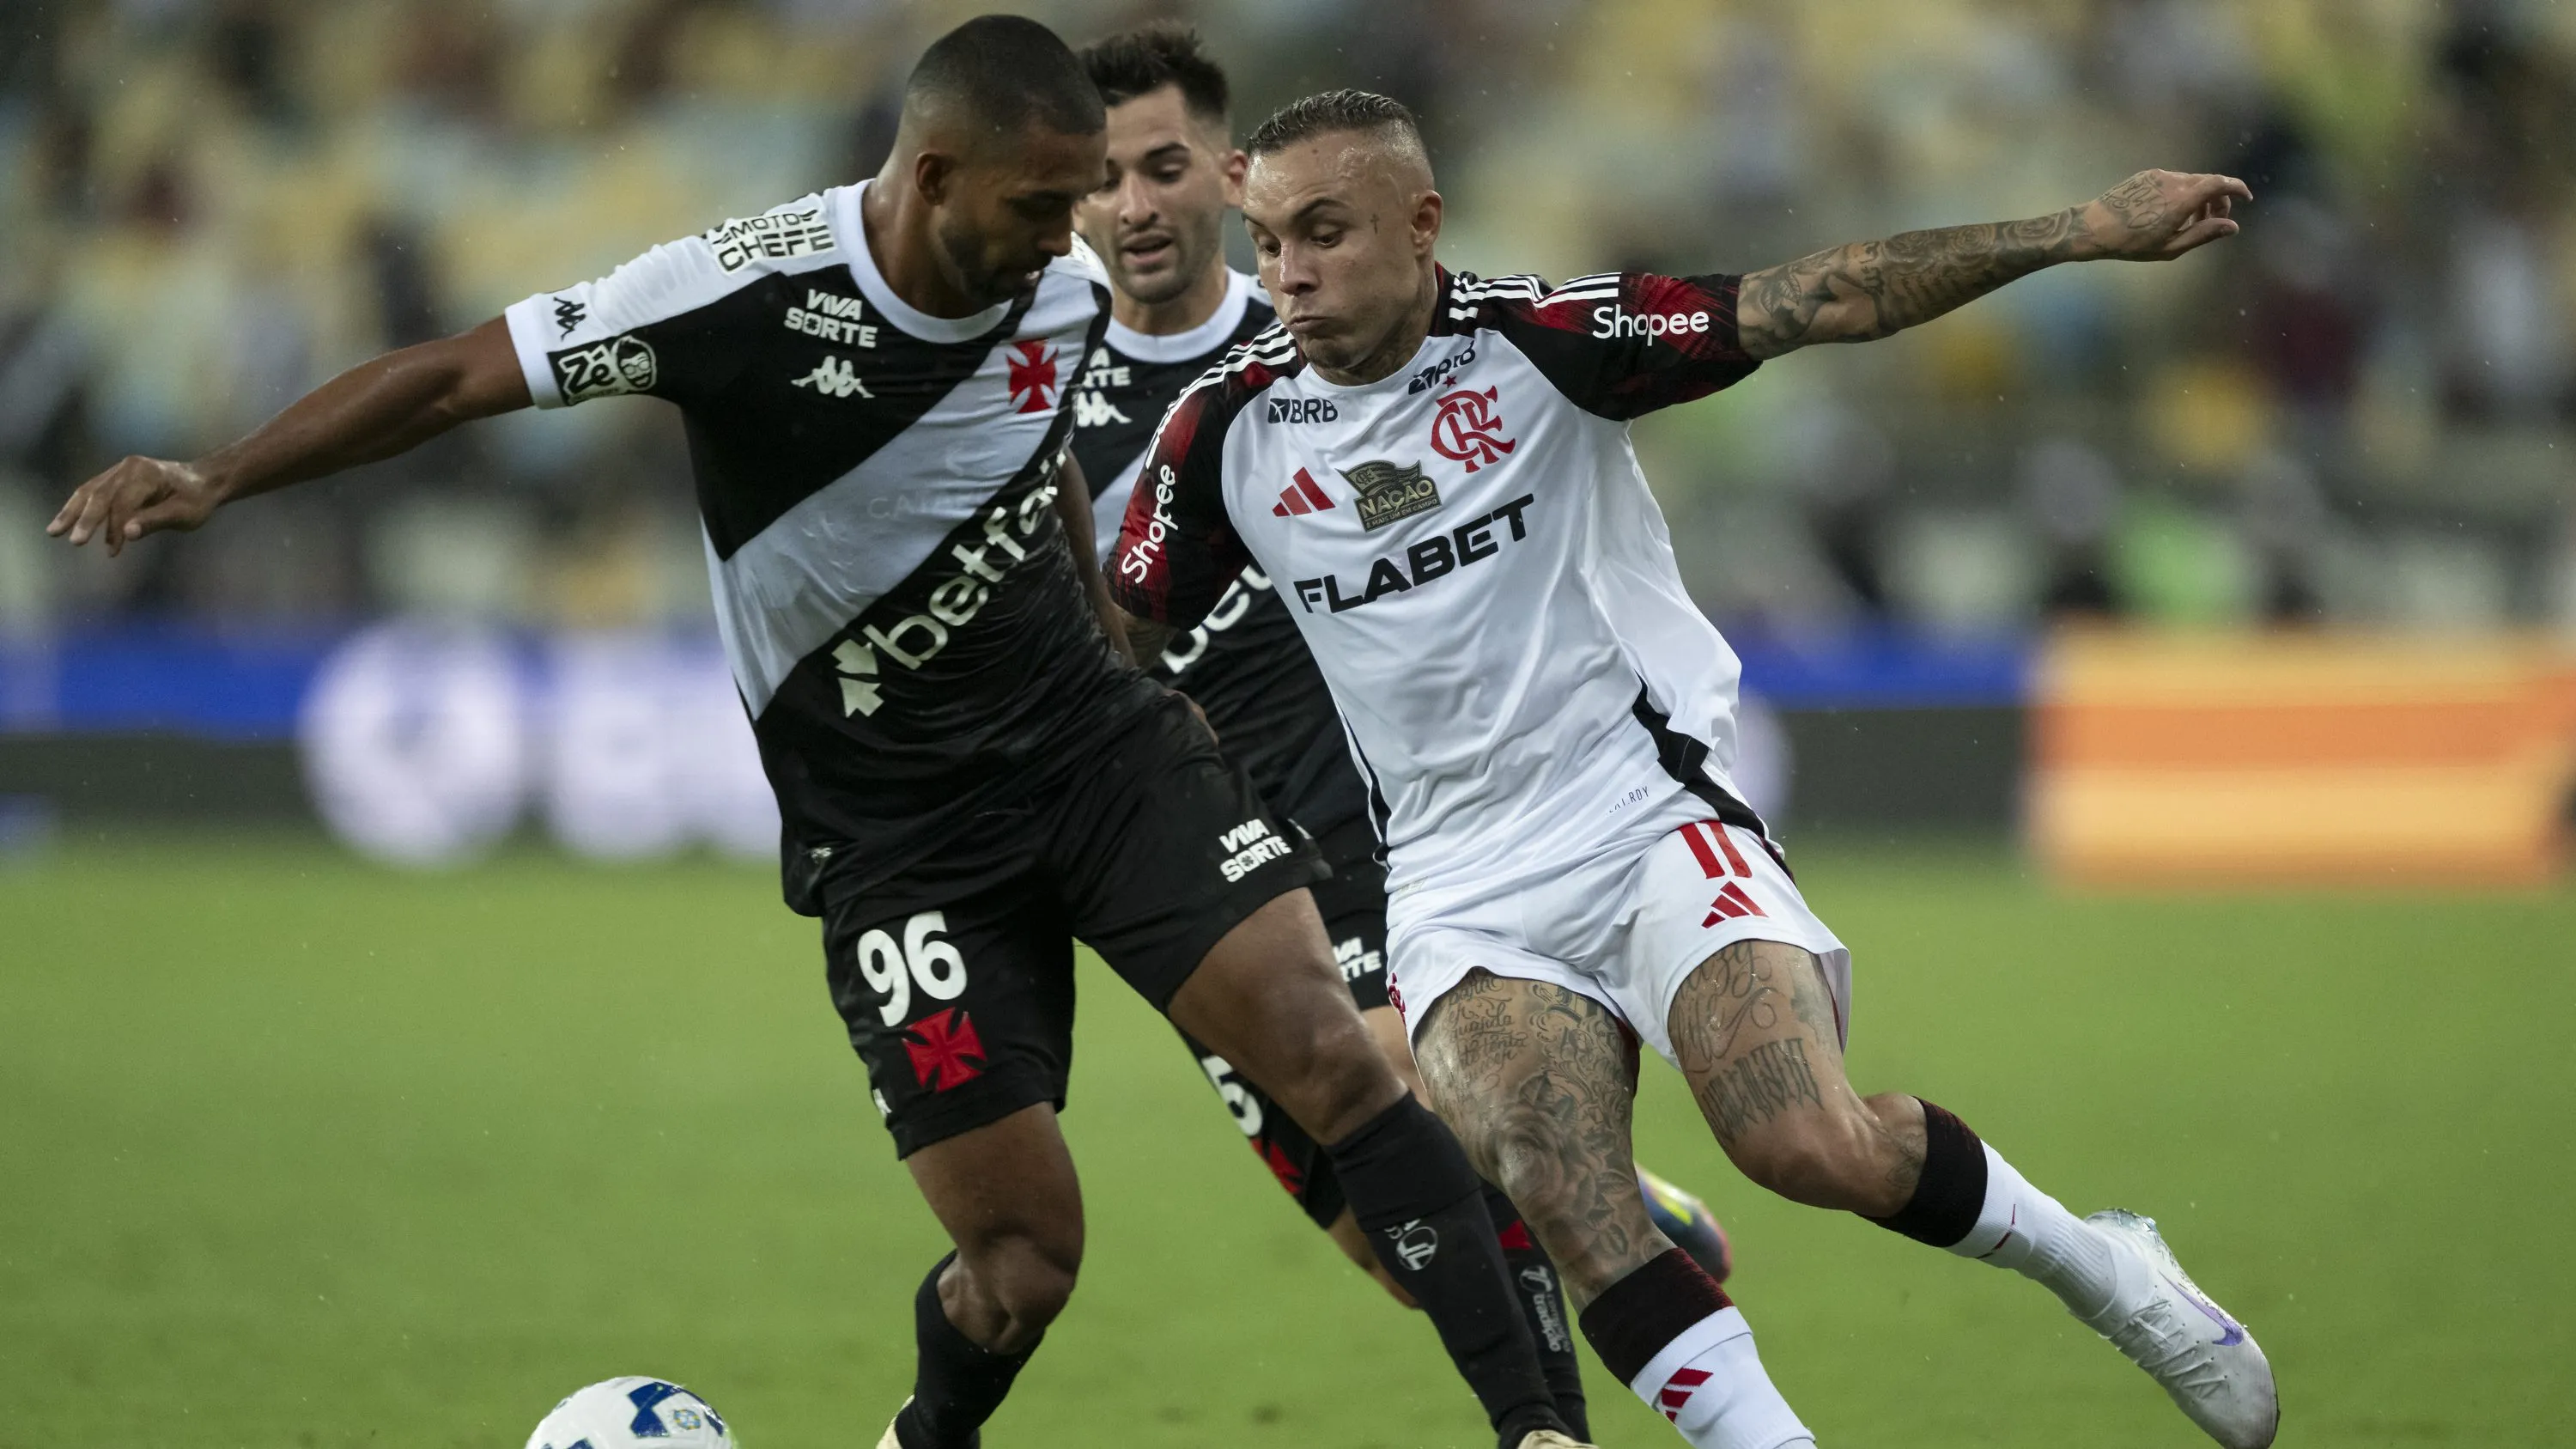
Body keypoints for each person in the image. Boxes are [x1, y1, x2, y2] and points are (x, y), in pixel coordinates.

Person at [46, 29, 1591, 1449]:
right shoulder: (734, 293)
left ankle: (1541, 1430)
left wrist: (1118, 633)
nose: (1074, 243)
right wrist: (222, 473)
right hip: (903, 837)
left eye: (1084, 203)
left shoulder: (1048, 287)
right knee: (1023, 1258)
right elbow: (459, 376)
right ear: (933, 180)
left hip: (1097, 750)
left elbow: (1037, 434)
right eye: (1042, 204)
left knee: (1335, 1055)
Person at [1110, 88, 2277, 1449]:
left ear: (1421, 225)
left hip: (1645, 809)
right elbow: (1116, 637)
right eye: (1266, 243)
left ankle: (2107, 1269)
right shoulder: (1222, 437)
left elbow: (1824, 295)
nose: (1289, 276)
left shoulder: (1548, 344)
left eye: (1324, 233)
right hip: (1457, 880)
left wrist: (2080, 230)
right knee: (1564, 1187)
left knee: (1806, 1147)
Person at [1066, 26, 1731, 1439]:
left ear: (1228, 176)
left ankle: (1549, 1400)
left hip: (1351, 801)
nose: (1133, 204)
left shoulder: (1315, 317)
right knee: (1401, 1248)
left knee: (1399, 1109)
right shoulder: (1032, 371)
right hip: (1187, 830)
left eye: (1165, 167)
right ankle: (1604, 1205)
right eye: (1102, 176)